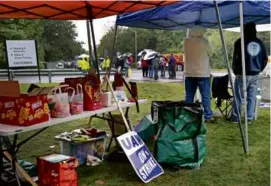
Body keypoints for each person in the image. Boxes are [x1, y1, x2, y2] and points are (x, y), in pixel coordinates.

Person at [231, 22, 268, 123]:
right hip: (255, 73)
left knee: (238, 96)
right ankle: (249, 118)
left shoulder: (239, 42)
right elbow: (264, 59)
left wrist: (235, 70)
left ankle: (236, 117)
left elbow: (235, 58)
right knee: (251, 97)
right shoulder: (260, 43)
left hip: (242, 73)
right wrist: (259, 69)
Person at [184, 26, 213, 122]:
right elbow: (211, 53)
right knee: (205, 96)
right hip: (203, 73)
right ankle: (207, 115)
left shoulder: (186, 42)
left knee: (189, 96)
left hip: (189, 73)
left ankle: (187, 114)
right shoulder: (204, 42)